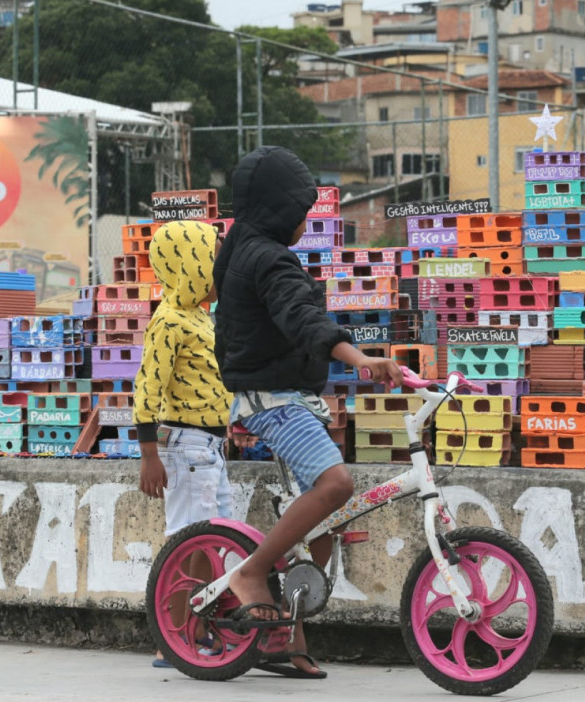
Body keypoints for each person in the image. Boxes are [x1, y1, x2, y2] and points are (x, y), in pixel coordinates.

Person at [213, 145, 403, 680]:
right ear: (279, 211)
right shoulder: (267, 257)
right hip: (271, 399)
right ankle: (250, 574)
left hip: (285, 393)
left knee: (325, 522)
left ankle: (286, 635)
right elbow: (301, 317)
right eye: (301, 210)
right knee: (336, 486)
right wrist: (360, 358)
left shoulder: (247, 246)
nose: (305, 220)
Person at [132, 219, 233, 669]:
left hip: (208, 447)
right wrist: (150, 457)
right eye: (214, 262)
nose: (220, 273)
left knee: (214, 541)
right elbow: (147, 388)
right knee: (189, 544)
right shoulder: (169, 320)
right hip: (186, 447)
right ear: (190, 266)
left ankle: (195, 629)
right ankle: (173, 640)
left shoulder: (198, 316)